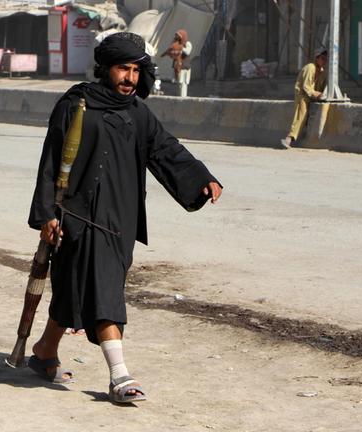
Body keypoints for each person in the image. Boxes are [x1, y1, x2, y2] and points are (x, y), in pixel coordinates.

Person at [27, 32, 222, 404]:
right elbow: (50, 161)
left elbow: (165, 149)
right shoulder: (75, 105)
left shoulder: (138, 113)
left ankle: (43, 350)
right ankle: (120, 377)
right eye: (123, 69)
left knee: (75, 287)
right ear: (106, 69)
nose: (130, 78)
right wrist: (47, 214)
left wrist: (201, 179)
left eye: (135, 70)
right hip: (77, 215)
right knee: (104, 292)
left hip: (120, 218)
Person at [281, 48, 328, 148]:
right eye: (322, 58)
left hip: (312, 95)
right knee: (301, 114)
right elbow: (306, 87)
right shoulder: (310, 68)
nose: (324, 61)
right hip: (303, 94)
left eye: (325, 59)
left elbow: (322, 87)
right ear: (317, 58)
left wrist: (321, 95)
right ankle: (289, 138)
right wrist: (316, 94)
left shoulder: (323, 72)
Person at [162, 29, 193, 95]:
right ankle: (180, 97)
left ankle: (183, 97)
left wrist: (180, 47)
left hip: (185, 66)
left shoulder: (187, 43)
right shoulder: (176, 43)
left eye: (179, 36)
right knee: (179, 83)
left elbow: (187, 52)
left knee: (183, 83)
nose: (177, 38)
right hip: (178, 66)